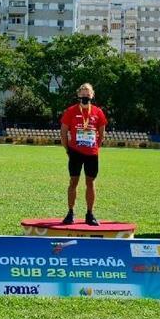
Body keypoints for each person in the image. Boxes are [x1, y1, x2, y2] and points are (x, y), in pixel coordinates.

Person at [59, 83, 107, 225]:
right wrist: (67, 149)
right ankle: (70, 213)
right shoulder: (71, 111)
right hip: (75, 152)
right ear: (78, 95)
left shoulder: (98, 112)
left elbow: (102, 133)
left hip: (91, 153)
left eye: (88, 94)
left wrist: (95, 148)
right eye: (83, 94)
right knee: (73, 182)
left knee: (90, 182)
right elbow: (63, 131)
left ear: (92, 95)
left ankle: (90, 214)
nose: (85, 96)